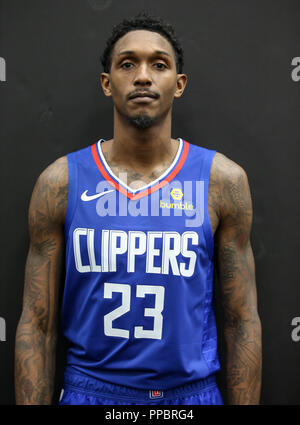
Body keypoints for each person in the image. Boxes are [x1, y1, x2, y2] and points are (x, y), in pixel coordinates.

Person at [14, 12, 262, 405]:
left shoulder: (223, 182)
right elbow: (37, 325)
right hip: (91, 391)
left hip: (189, 396)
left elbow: (242, 321)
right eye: (127, 64)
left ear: (178, 85)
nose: (143, 76)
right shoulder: (60, 183)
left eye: (158, 64)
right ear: (107, 82)